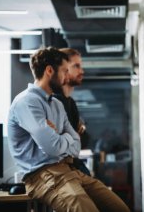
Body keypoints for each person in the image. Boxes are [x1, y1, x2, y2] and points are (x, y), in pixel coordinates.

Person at [7, 47, 130, 212]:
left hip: (68, 169)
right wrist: (64, 137)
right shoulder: (27, 102)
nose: (67, 76)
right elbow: (52, 148)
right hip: (43, 176)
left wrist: (58, 135)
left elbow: (76, 147)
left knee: (119, 208)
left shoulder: (57, 104)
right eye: (64, 71)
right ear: (50, 71)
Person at [54, 48, 91, 176]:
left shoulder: (71, 103)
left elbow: (83, 141)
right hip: (62, 170)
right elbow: (63, 144)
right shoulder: (54, 102)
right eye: (76, 66)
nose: (82, 71)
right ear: (63, 68)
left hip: (74, 165)